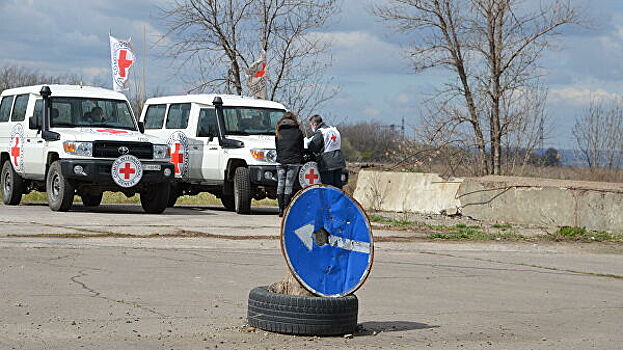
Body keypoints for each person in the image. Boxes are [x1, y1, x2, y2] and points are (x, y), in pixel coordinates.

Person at [275, 112, 304, 217]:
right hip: (293, 161)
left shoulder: (278, 131)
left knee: (280, 184)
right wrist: (299, 158)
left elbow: (277, 147)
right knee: (288, 185)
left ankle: (280, 209)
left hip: (280, 160)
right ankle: (286, 209)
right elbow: (301, 148)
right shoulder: (298, 132)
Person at [307, 114, 346, 189]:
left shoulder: (321, 132)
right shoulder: (334, 130)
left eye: (311, 125)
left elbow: (313, 146)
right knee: (338, 188)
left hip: (327, 163)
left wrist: (308, 143)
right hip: (339, 161)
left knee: (328, 188)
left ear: (314, 124)